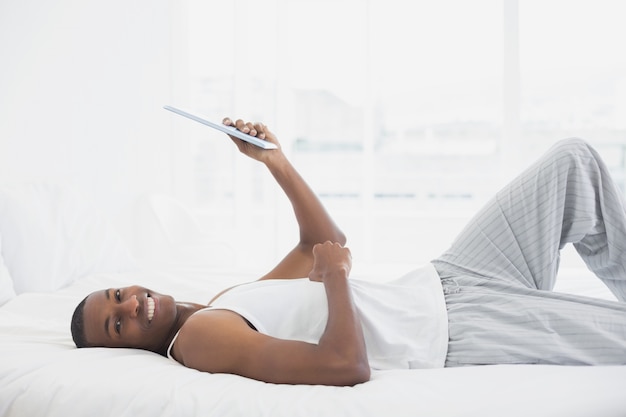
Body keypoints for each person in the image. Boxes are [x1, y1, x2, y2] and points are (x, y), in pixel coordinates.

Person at [71, 118, 626, 386]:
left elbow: (320, 243)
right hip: (457, 328)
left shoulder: (219, 304)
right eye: (116, 324)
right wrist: (335, 279)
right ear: (126, 349)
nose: (129, 306)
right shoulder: (198, 338)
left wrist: (275, 162)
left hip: (448, 277)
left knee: (571, 164)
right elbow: (344, 367)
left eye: (116, 295)